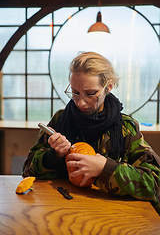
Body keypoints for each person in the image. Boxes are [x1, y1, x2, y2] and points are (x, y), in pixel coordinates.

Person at [22, 51, 160, 215]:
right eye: (75, 92)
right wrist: (54, 156)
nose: (80, 102)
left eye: (90, 93)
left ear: (108, 87)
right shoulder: (60, 120)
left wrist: (105, 169)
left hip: (110, 214)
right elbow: (27, 171)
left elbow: (155, 184)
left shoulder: (125, 128)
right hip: (62, 210)